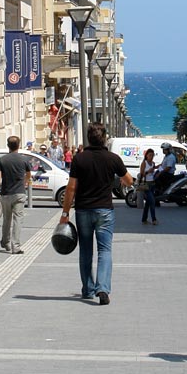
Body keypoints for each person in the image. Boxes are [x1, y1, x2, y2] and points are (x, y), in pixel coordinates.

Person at [60, 123, 133, 305]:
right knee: (105, 250)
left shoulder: (79, 159)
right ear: (105, 138)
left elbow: (71, 188)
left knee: (85, 251)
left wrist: (65, 212)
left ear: (88, 138)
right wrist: (120, 181)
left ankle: (87, 289)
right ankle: (102, 288)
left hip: (83, 210)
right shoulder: (112, 158)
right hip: (104, 211)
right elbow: (129, 180)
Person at [0, 136, 32, 255]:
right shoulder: (24, 160)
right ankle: (16, 247)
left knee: (6, 219)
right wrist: (24, 183)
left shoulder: (2, 160)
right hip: (19, 193)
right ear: (19, 145)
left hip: (6, 194)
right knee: (18, 220)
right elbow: (29, 174)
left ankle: (5, 242)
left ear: (8, 145)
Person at [139, 148, 158, 225]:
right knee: (152, 201)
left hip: (152, 183)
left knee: (148, 203)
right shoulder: (144, 163)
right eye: (150, 155)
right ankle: (154, 219)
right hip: (146, 184)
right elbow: (142, 174)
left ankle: (144, 219)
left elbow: (153, 173)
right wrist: (148, 171)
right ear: (146, 155)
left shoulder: (153, 163)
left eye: (153, 155)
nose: (151, 157)